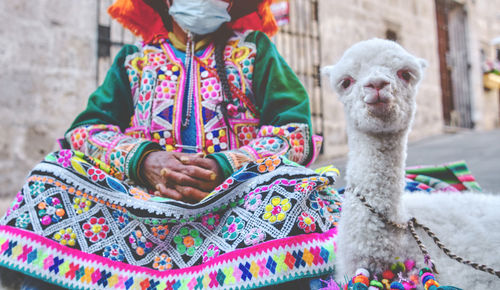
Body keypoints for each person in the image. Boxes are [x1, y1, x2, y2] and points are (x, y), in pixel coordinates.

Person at [0, 0, 340, 289]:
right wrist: (142, 160)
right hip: (139, 215)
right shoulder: (134, 61)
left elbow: (295, 131)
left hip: (237, 212)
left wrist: (228, 165)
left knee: (300, 190)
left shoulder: (255, 51)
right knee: (49, 175)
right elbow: (85, 131)